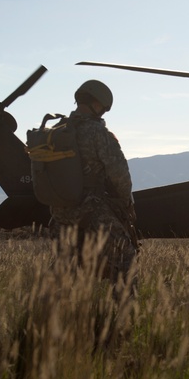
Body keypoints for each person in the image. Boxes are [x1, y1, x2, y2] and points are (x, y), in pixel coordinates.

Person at [47, 79, 137, 294]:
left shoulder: (56, 131)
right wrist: (126, 203)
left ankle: (48, 315)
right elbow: (119, 174)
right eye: (103, 109)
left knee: (63, 268)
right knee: (126, 260)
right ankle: (125, 318)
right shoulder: (97, 133)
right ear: (97, 104)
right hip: (93, 210)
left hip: (60, 214)